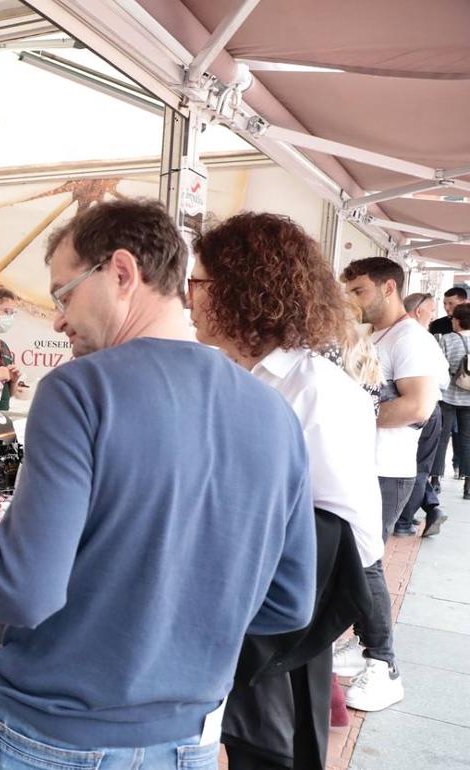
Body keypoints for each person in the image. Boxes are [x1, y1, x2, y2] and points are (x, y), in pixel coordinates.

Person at [0, 199, 315, 770]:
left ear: (121, 273)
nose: (58, 319)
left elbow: (22, 591)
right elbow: (288, 604)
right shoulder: (274, 412)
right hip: (188, 734)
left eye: (63, 294)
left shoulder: (80, 390)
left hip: (56, 733)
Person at [189, 212, 381, 770]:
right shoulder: (249, 378)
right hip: (248, 607)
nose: (189, 298)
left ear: (241, 291)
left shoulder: (313, 389)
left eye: (198, 284)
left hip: (284, 615)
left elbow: (341, 533)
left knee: (277, 750)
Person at [336, 257, 447, 711]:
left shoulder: (411, 340)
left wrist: (346, 419)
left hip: (387, 469)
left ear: (387, 288)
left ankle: (384, 665)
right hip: (365, 464)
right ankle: (363, 644)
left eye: (359, 290)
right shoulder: (379, 336)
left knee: (365, 563)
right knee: (351, 561)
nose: (352, 299)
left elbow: (418, 406)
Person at [393, 293, 449, 536]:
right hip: (425, 409)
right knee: (418, 466)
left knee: (410, 464)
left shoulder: (399, 336)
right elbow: (444, 379)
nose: (435, 315)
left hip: (409, 409)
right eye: (431, 310)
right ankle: (407, 519)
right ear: (418, 311)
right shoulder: (420, 339)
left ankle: (415, 514)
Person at [436, 302, 470, 509]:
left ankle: (434, 480)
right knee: (467, 440)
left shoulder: (448, 339)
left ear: (456, 320)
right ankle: (468, 484)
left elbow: (439, 367)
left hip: (448, 395)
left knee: (441, 437)